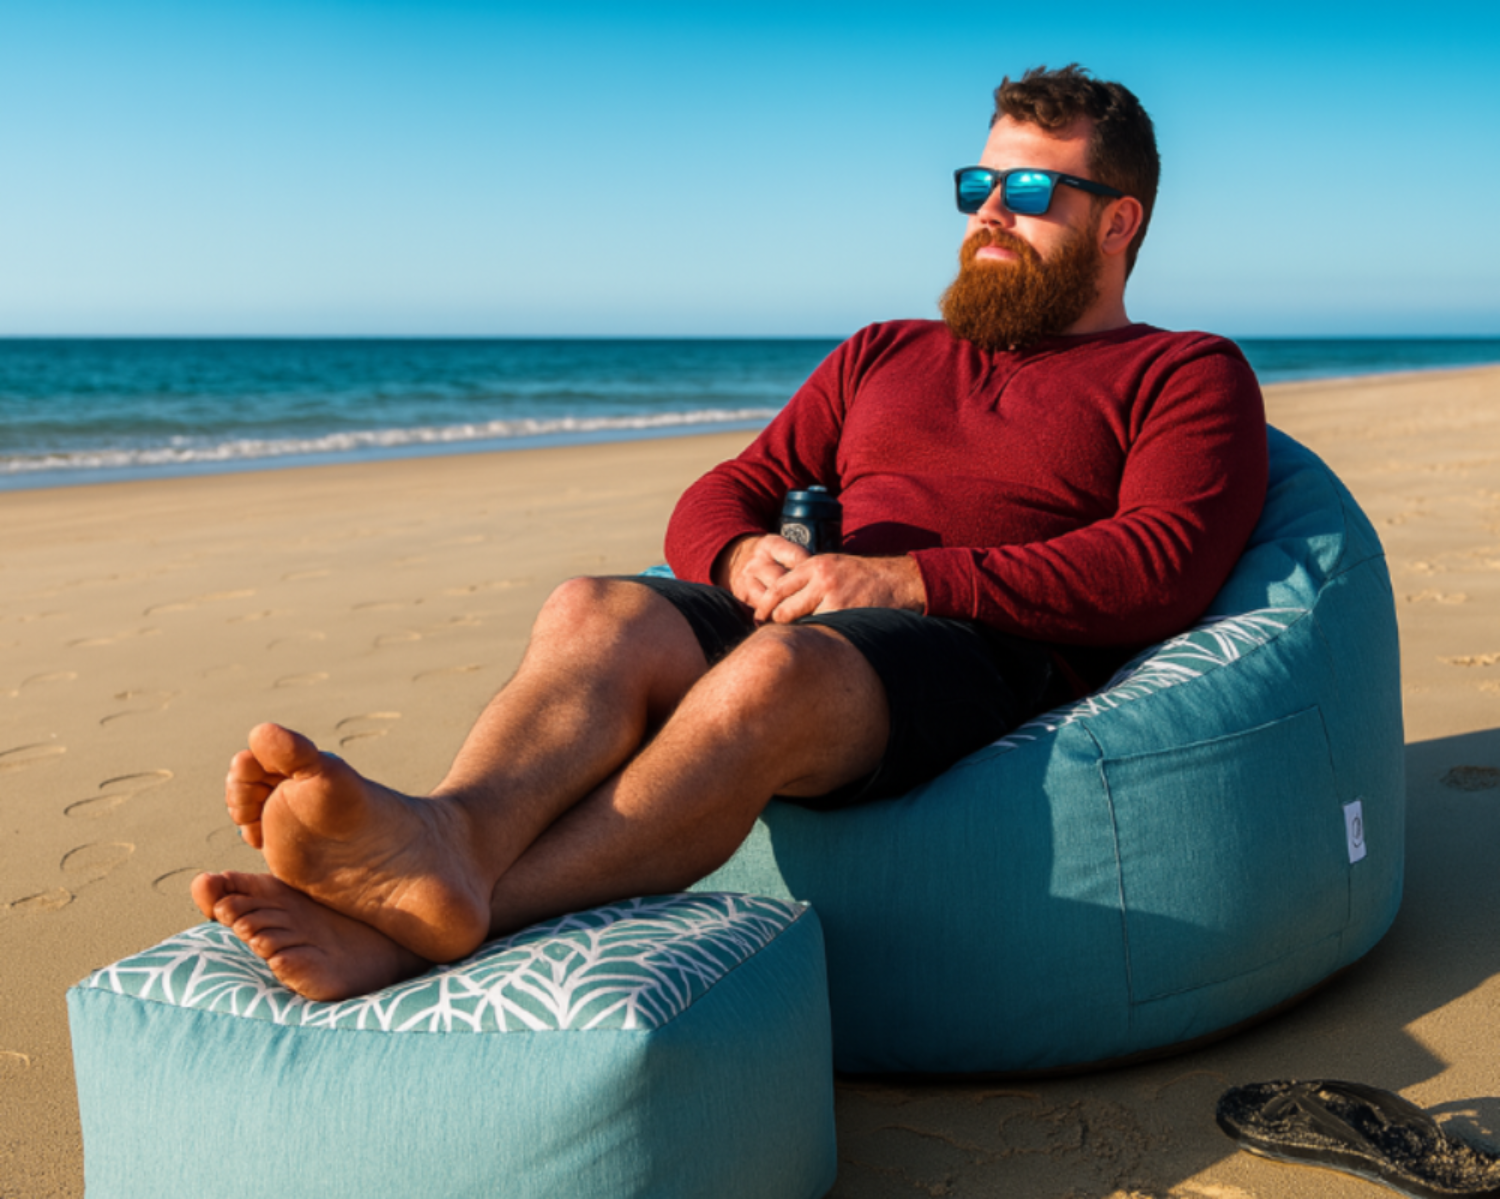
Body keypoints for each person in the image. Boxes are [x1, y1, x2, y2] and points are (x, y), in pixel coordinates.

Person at [192, 64, 1268, 1001]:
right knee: (591, 606)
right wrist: (735, 552)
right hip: (821, 603)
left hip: (980, 643)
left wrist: (906, 582)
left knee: (771, 675)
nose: (988, 211)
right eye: (975, 184)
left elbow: (1160, 565)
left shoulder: (1183, 370)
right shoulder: (883, 350)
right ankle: (445, 839)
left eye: (1028, 190)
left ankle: (431, 915)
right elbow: (727, 488)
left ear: (1117, 221)